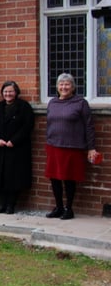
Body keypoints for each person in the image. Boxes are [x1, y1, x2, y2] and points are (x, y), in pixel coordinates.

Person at [44, 73, 98, 220]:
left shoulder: (80, 103)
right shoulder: (53, 103)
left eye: (67, 84)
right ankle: (59, 207)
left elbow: (89, 126)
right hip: (53, 146)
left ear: (73, 87)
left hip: (72, 147)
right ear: (57, 87)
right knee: (54, 178)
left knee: (69, 179)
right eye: (61, 84)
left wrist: (91, 147)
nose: (64, 87)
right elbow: (49, 124)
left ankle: (69, 208)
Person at [0, 80, 34, 215]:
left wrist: (14, 140)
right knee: (0, 177)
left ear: (16, 92)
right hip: (0, 148)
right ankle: (1, 204)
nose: (8, 94)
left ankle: (11, 205)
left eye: (11, 91)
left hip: (16, 148)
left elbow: (27, 126)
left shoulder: (24, 107)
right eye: (5, 92)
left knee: (13, 178)